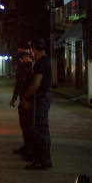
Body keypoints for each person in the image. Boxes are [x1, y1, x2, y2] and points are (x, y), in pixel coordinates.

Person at [23, 38, 52, 170]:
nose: (32, 52)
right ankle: (42, 158)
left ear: (34, 50)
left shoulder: (42, 63)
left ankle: (43, 160)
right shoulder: (44, 61)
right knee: (40, 128)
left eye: (32, 50)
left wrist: (25, 96)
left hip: (41, 99)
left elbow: (36, 84)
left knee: (40, 129)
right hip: (42, 98)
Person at [10, 45, 34, 159]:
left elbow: (33, 86)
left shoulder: (32, 68)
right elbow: (18, 84)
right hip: (22, 100)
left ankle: (30, 149)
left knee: (29, 126)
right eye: (22, 57)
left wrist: (25, 99)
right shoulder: (20, 68)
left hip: (29, 102)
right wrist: (14, 98)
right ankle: (26, 146)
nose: (23, 59)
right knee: (24, 125)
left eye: (25, 56)